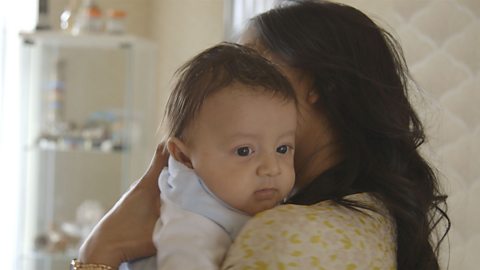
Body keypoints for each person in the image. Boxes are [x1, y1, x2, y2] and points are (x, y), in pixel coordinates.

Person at [75, 1, 450, 270]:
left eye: (255, 65)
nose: (237, 83)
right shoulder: (372, 211)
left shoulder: (287, 236)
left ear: (317, 86)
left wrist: (100, 252)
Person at [124, 43, 297, 270]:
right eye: (244, 151)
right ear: (185, 158)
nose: (272, 168)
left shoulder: (231, 195)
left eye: (282, 149)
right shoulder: (192, 222)